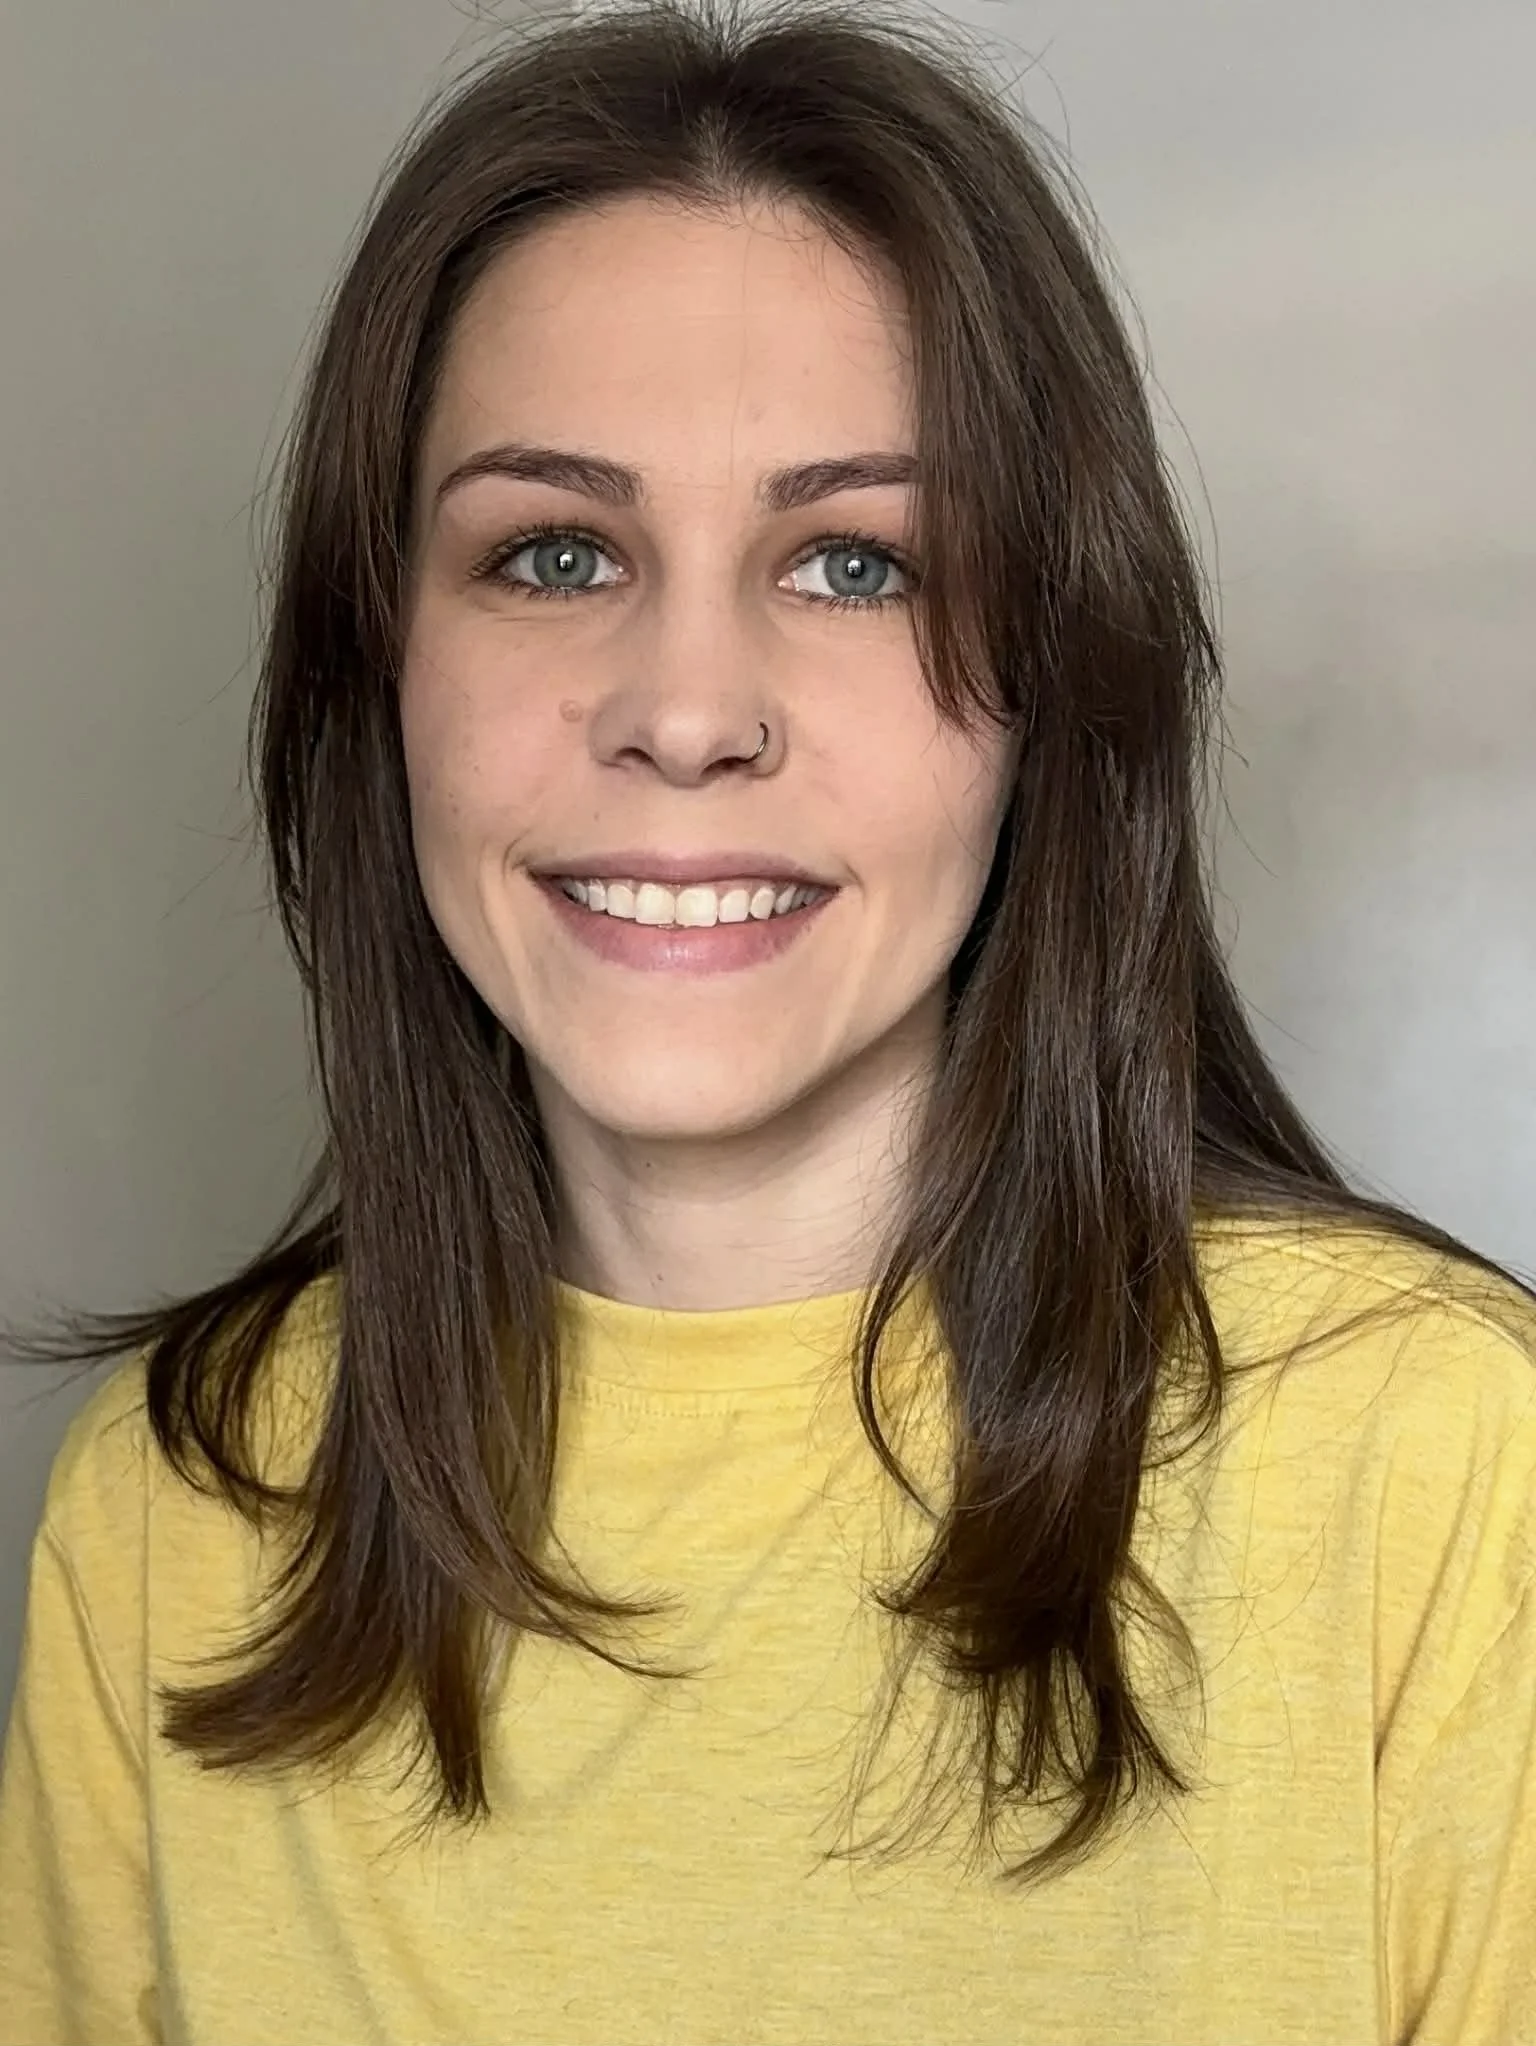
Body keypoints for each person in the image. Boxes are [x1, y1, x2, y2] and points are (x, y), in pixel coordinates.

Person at [2, 1, 1533, 2040]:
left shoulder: (1441, 1468)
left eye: (852, 565)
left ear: (1051, 684)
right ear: (381, 669)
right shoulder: (175, 1509)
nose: (691, 711)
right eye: (556, 552)